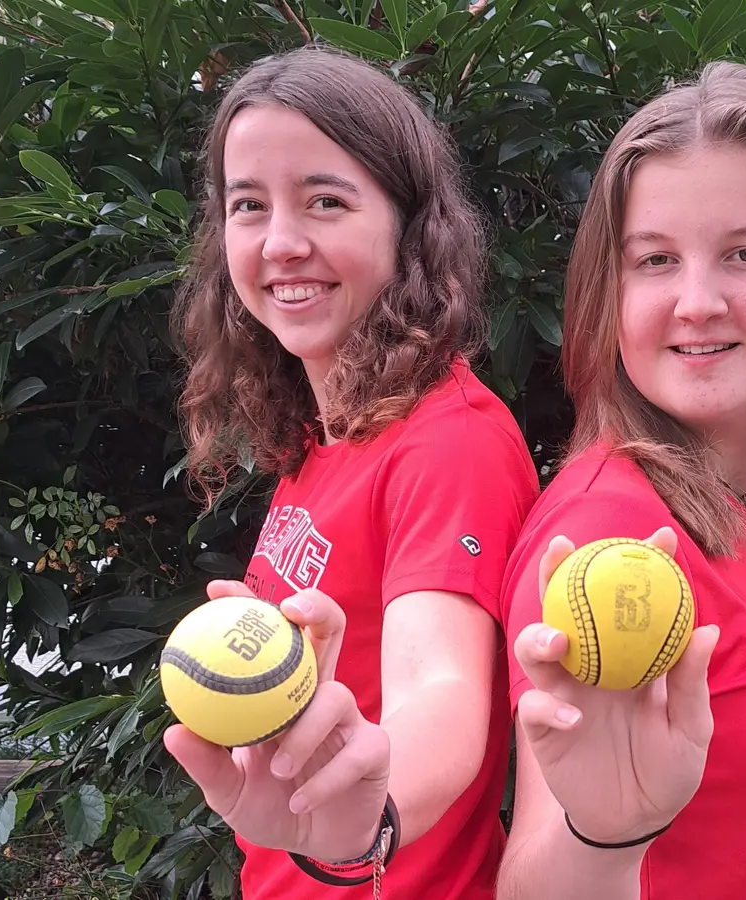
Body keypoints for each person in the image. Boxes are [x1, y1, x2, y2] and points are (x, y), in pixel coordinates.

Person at [498, 62, 746, 899]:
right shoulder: (608, 538)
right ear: (608, 296)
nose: (697, 301)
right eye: (654, 260)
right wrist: (606, 835)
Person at [164, 45, 539, 899]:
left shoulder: (451, 441)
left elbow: (441, 687)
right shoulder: (327, 435)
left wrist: (366, 820)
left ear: (408, 227)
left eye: (325, 201)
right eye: (248, 205)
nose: (282, 242)